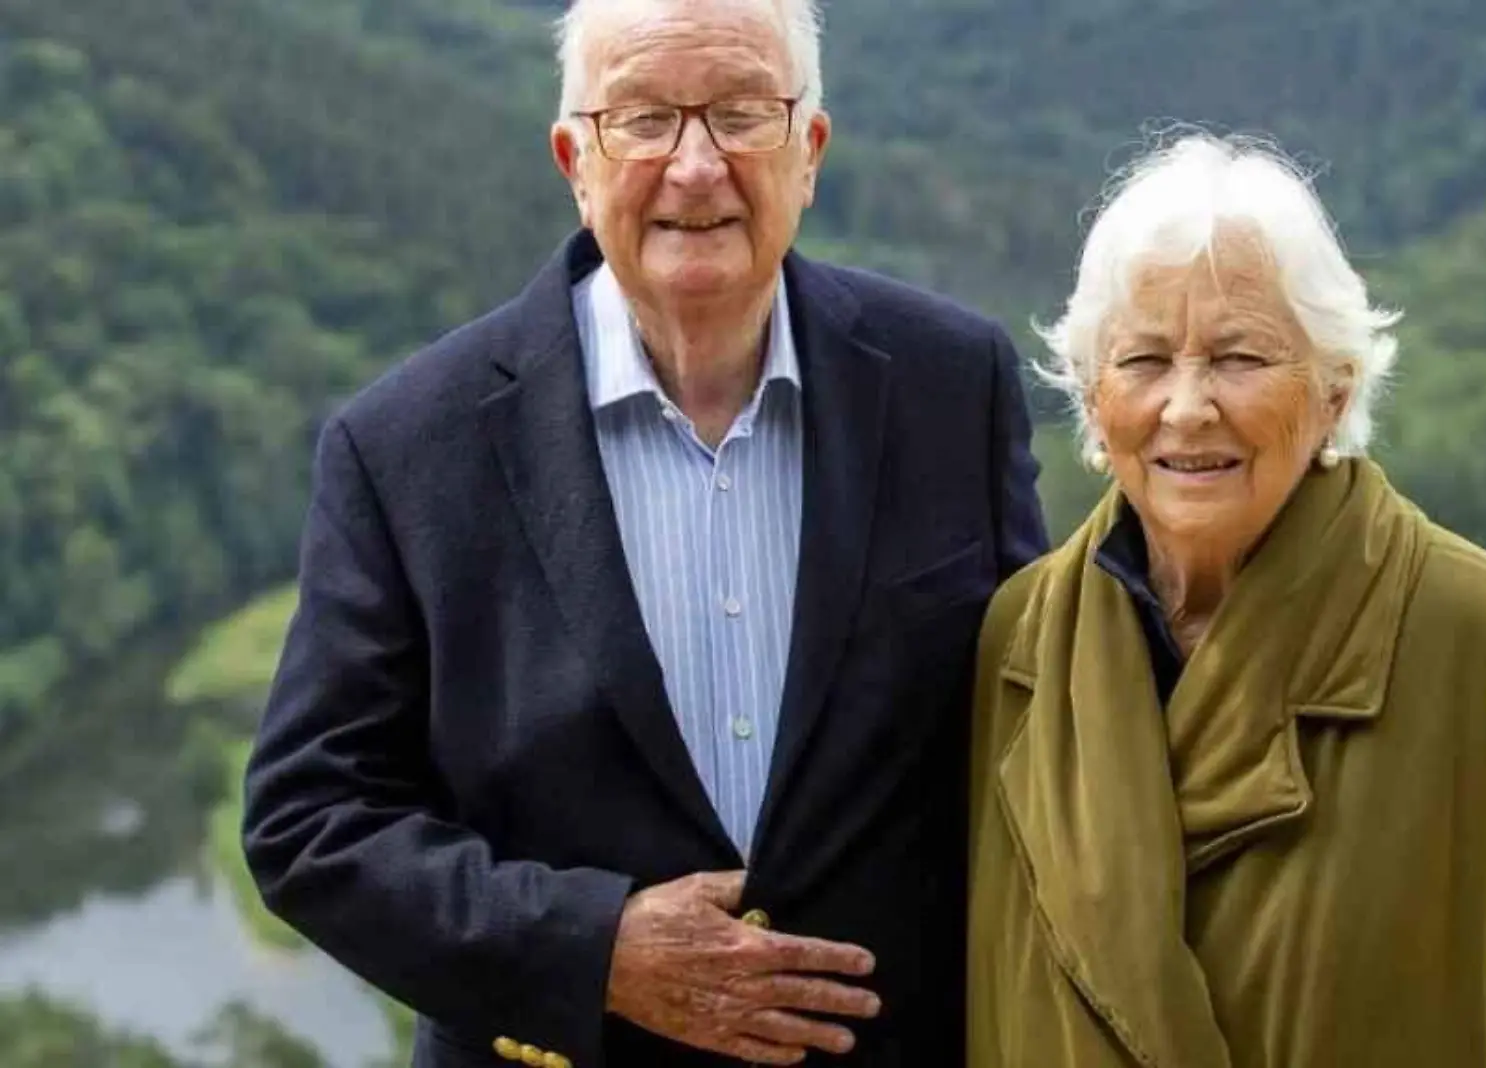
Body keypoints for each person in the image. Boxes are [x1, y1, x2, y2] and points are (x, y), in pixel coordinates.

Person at [240, 0, 1047, 1064]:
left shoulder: (954, 383)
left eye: (742, 113)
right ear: (575, 158)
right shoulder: (404, 447)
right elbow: (311, 820)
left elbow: (1042, 725)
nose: (697, 164)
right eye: (645, 119)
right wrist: (592, 949)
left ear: (809, 150)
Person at [964, 132, 1486, 1067]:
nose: (1186, 407)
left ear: (1336, 389)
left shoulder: (1478, 633)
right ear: (1094, 401)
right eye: (1143, 361)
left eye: (1239, 358)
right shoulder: (1019, 643)